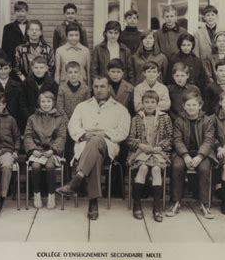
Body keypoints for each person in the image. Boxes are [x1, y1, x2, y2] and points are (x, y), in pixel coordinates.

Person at [56, 76, 131, 220]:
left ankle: (77, 179)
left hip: (108, 145)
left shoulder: (120, 109)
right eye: (96, 86)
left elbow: (123, 131)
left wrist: (104, 134)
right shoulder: (82, 106)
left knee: (96, 141)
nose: (99, 90)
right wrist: (84, 136)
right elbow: (73, 126)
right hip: (85, 144)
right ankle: (92, 202)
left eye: (102, 86)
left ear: (109, 88)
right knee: (94, 155)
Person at [167, 91, 216, 219]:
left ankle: (204, 204)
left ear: (200, 106)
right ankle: (176, 202)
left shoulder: (207, 120)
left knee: (204, 169)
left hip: (202, 153)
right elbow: (177, 140)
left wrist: (199, 156)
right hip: (183, 153)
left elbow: (208, 140)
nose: (191, 108)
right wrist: (185, 155)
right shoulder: (179, 120)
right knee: (177, 166)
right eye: (188, 105)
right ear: (183, 106)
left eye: (194, 105)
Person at [127, 90, 173, 222]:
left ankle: (157, 207)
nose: (149, 105)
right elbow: (130, 139)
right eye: (146, 102)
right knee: (143, 168)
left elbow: (170, 138)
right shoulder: (136, 119)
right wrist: (141, 145)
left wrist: (160, 147)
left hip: (158, 152)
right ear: (142, 103)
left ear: (157, 104)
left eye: (153, 102)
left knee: (157, 169)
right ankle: (137, 204)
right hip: (141, 151)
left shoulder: (165, 118)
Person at [24, 92, 68, 209]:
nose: (46, 104)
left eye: (48, 101)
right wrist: (33, 149)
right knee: (35, 167)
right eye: (43, 101)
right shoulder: (32, 118)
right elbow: (28, 135)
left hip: (52, 151)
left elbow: (61, 136)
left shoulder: (59, 118)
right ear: (39, 103)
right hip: (37, 150)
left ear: (53, 102)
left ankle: (51, 194)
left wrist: (53, 150)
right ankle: (36, 194)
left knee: (50, 166)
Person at [56, 61, 91, 179]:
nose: (73, 75)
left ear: (80, 73)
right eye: (70, 72)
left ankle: (81, 182)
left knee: (81, 153)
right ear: (66, 74)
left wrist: (78, 125)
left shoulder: (85, 89)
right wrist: (69, 124)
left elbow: (87, 108)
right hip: (66, 126)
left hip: (80, 126)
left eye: (76, 72)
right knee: (69, 152)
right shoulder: (62, 88)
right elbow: (60, 107)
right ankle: (67, 180)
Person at [19, 56, 59, 129]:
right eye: (36, 68)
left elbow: (56, 102)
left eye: (41, 68)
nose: (39, 70)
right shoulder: (25, 83)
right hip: (30, 117)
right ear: (32, 68)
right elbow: (22, 103)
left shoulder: (53, 84)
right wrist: (29, 117)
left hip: (48, 118)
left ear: (46, 68)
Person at [55, 22, 91, 86]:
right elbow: (57, 72)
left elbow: (88, 71)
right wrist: (56, 88)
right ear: (66, 36)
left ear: (80, 36)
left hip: (82, 85)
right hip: (64, 84)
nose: (74, 38)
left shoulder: (86, 51)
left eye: (76, 35)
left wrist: (89, 88)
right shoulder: (60, 50)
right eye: (71, 35)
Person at [2, 1, 29, 73]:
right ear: (14, 12)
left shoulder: (32, 27)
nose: (20, 14)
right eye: (17, 11)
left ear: (27, 12)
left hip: (29, 63)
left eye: (22, 11)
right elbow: (5, 48)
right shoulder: (8, 28)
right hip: (14, 63)